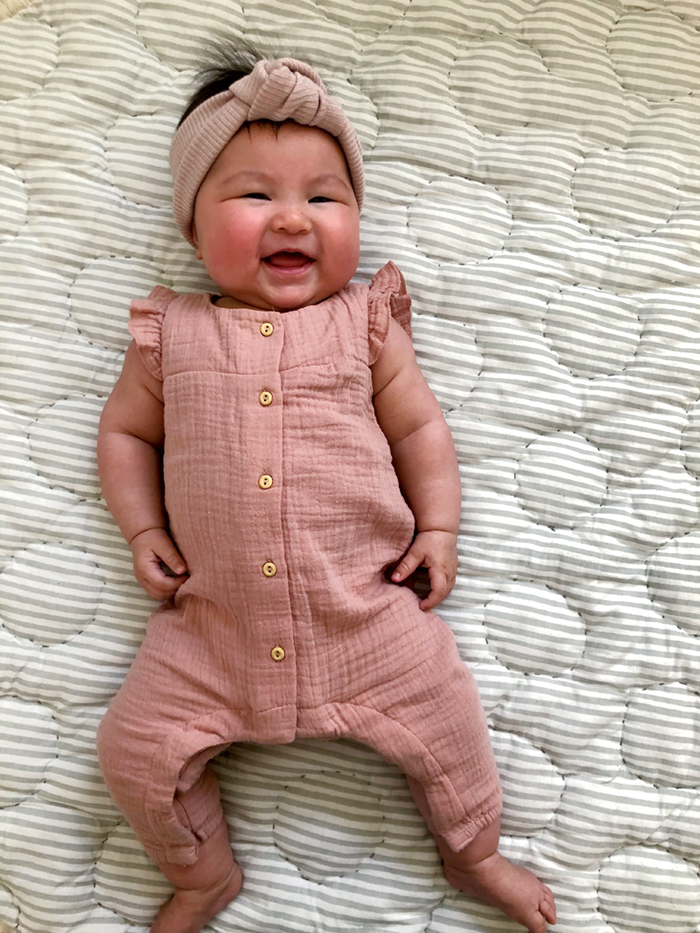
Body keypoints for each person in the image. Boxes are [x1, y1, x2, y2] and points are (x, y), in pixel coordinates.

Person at [96, 54, 557, 933]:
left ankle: (475, 853)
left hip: (368, 615)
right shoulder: (171, 335)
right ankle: (203, 874)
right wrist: (140, 526)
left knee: (451, 717)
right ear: (192, 228)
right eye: (254, 195)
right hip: (213, 630)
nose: (292, 218)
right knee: (131, 750)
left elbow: (421, 430)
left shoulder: (364, 322)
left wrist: (441, 528)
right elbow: (125, 434)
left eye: (323, 197)